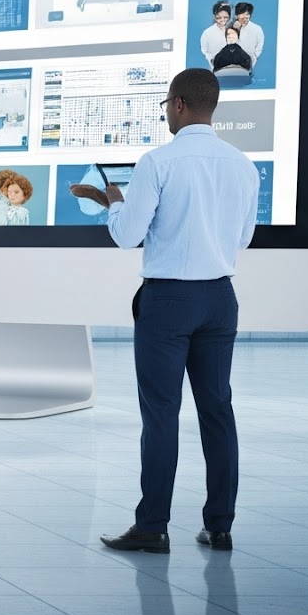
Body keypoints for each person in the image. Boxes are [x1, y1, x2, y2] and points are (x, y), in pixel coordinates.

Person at [70, 68, 258, 553]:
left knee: (161, 416)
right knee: (218, 411)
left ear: (176, 105)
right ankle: (220, 526)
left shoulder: (158, 161)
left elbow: (126, 235)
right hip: (220, 298)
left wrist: (114, 200)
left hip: (168, 301)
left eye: (163, 108)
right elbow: (243, 239)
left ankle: (153, 525)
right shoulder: (243, 165)